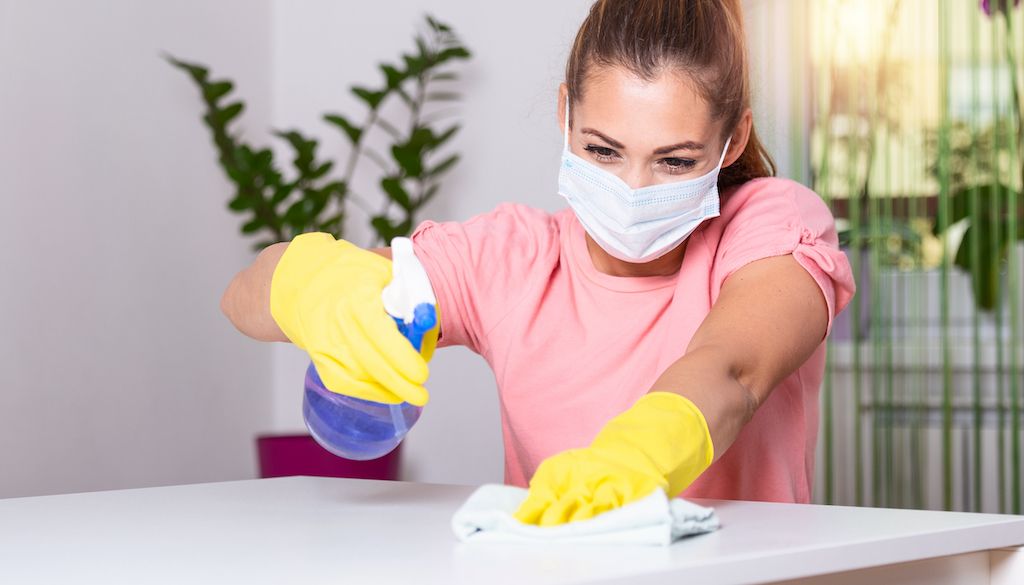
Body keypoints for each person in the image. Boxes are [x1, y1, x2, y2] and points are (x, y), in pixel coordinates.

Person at [221, 0, 855, 527]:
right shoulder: (513, 258)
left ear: (732, 141)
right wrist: (310, 284)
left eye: (676, 161)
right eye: (604, 150)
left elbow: (734, 368)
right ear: (565, 115)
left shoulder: (772, 224)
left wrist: (636, 456)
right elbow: (242, 299)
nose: (633, 186)